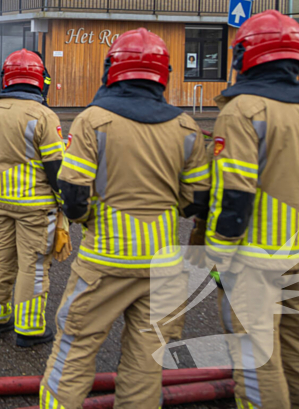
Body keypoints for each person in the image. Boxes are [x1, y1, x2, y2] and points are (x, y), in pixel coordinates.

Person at [39, 28, 210, 408]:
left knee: (75, 347)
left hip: (105, 263)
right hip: (164, 268)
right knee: (146, 363)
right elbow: (196, 201)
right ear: (163, 73)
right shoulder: (186, 128)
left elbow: (73, 193)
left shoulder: (93, 120)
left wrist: (89, 220)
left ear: (110, 69)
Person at [204, 10, 299, 409]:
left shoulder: (243, 111)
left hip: (253, 264)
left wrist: (216, 257)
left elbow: (234, 195)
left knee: (257, 359)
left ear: (245, 57)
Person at [0, 49, 64, 347]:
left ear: (7, 78)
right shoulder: (44, 115)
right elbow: (55, 168)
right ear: (39, 79)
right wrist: (63, 201)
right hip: (35, 206)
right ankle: (29, 329)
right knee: (34, 264)